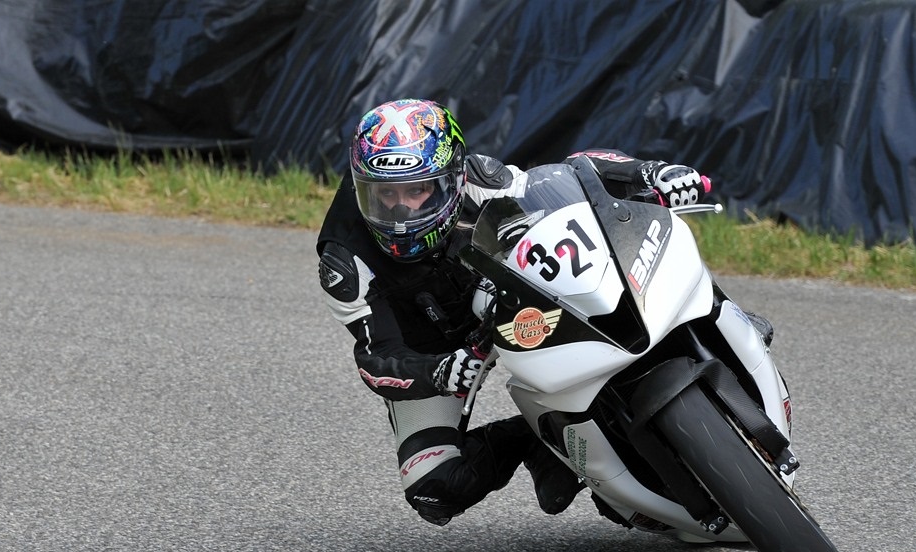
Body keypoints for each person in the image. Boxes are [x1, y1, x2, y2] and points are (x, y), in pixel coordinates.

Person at [315, 98, 755, 526]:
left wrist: (650, 173)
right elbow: (376, 357)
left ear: (452, 179)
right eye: (384, 194)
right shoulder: (343, 261)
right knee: (434, 488)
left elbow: (571, 176)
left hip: (497, 294)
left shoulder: (477, 177)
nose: (400, 213)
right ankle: (540, 440)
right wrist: (439, 372)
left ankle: (717, 319)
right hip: (434, 353)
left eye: (417, 191)